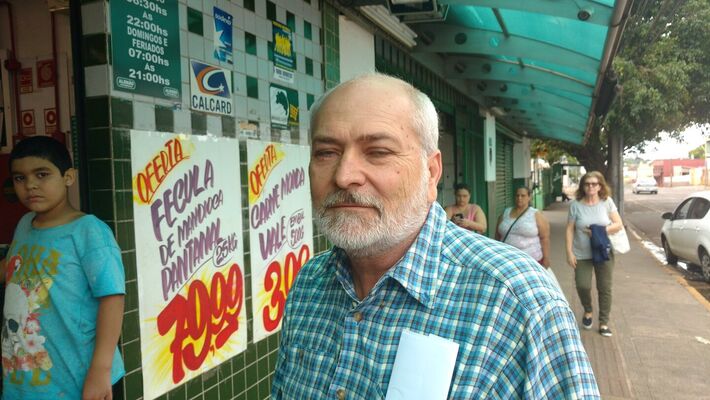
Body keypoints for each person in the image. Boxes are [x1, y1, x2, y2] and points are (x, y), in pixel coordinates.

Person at [272, 73, 599, 399]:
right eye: (326, 153)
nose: (344, 176)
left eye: (379, 152)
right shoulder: (309, 284)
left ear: (431, 173)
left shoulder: (519, 300)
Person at [0, 136, 125, 399]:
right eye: (20, 178)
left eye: (42, 174)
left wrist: (100, 369)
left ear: (68, 177)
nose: (30, 185)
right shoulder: (25, 225)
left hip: (76, 378)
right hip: (24, 378)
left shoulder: (89, 231)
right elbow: (17, 269)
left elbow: (112, 298)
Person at [565, 171, 623, 337]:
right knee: (582, 285)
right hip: (581, 252)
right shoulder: (575, 205)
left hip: (603, 251)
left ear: (600, 186)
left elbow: (618, 224)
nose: (591, 186)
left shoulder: (607, 202)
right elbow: (569, 229)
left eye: (594, 184)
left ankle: (604, 322)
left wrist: (599, 231)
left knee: (604, 288)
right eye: (587, 184)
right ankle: (588, 310)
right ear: (583, 186)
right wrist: (569, 252)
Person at [495, 186, 551, 268]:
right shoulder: (505, 213)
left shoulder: (536, 214)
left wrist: (546, 258)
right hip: (507, 260)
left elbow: (544, 238)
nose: (519, 198)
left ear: (529, 197)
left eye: (523, 195)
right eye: (517, 195)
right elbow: (497, 236)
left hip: (531, 260)